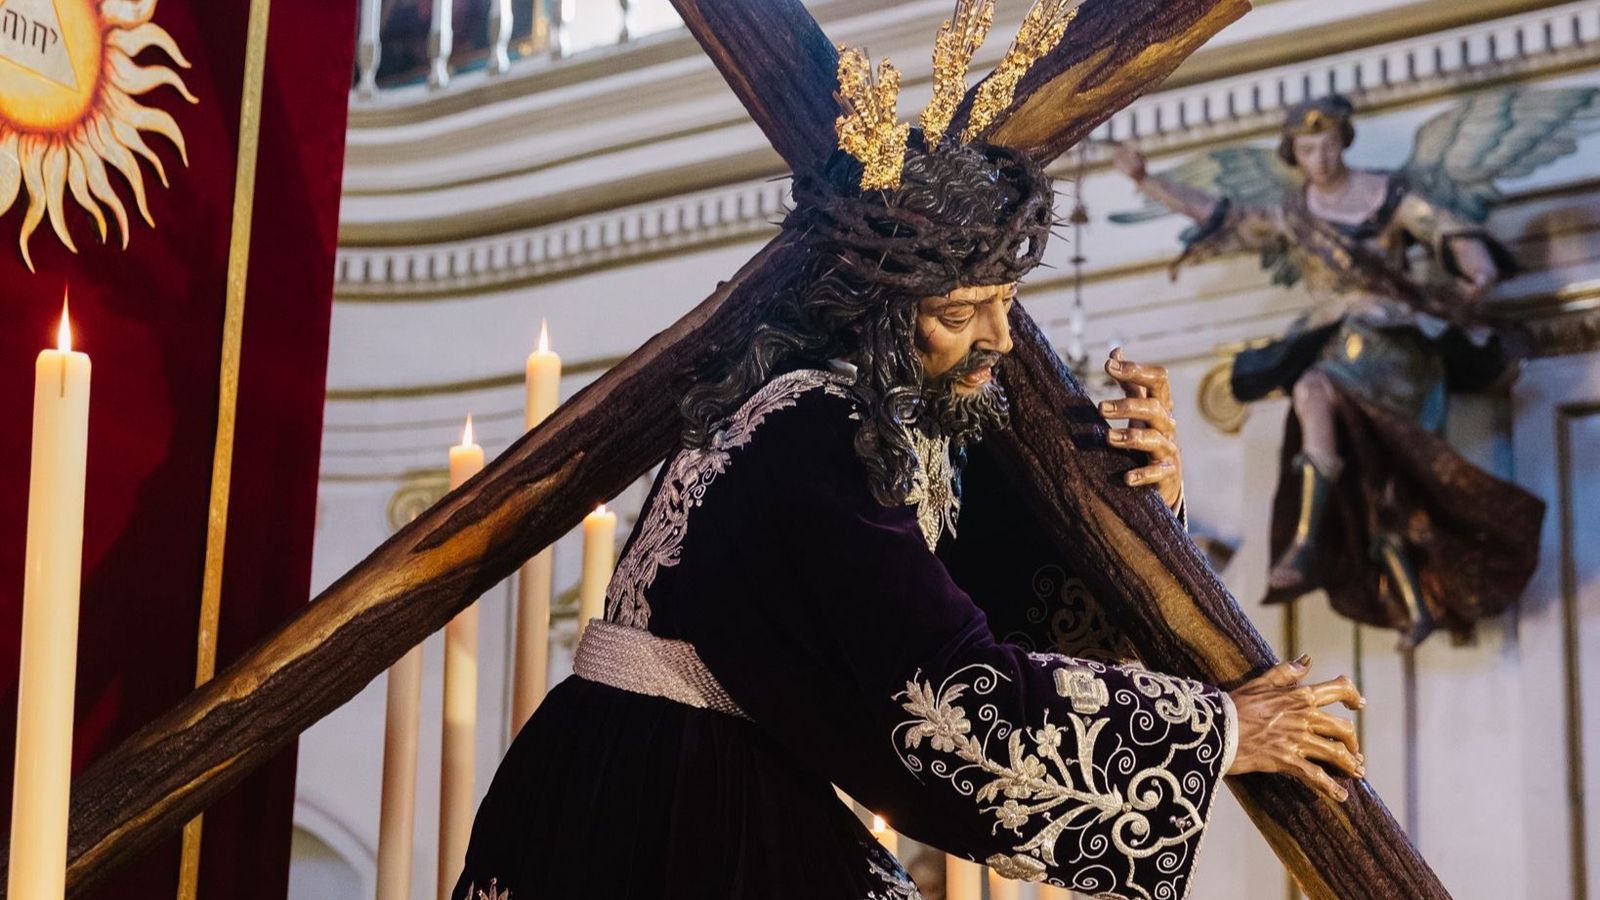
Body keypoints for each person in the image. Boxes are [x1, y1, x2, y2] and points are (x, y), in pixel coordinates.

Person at [450, 32, 1365, 897]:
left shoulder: (885, 419)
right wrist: (1218, 734)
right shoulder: (812, 429)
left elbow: (999, 603)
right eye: (960, 313)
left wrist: (1139, 499)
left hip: (688, 773)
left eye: (1005, 300)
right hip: (665, 803)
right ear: (879, 313)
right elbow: (944, 686)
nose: (1001, 337)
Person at [1112, 95, 1544, 649]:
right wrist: (1147, 181)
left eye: (1326, 145)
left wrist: (1471, 270)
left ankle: (1359, 566)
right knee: (1322, 405)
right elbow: (1225, 215)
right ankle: (1318, 544)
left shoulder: (1387, 196)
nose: (1318, 158)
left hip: (1397, 351)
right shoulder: (1294, 213)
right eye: (1306, 149)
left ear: (1343, 143)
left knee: (1387, 480)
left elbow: (1443, 227)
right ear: (1293, 154)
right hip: (1338, 349)